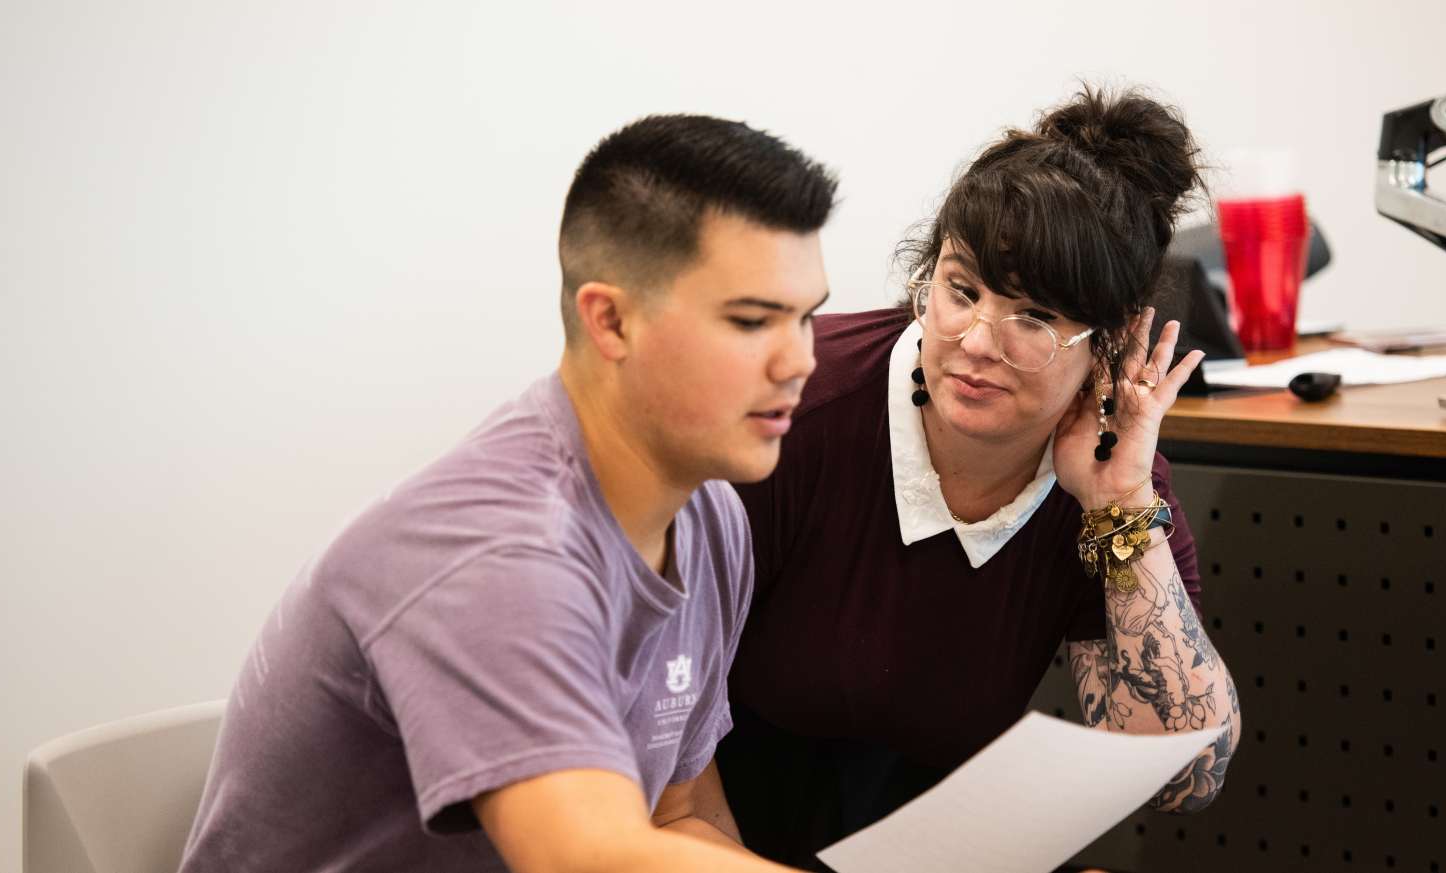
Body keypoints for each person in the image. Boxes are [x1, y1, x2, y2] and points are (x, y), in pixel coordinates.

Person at [181, 114, 836, 873]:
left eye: (807, 317)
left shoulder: (709, 514)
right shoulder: (499, 548)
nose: (800, 361)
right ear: (611, 320)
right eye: (753, 321)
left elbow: (676, 815)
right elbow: (589, 858)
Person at [715, 86, 1242, 870]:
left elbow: (1184, 775)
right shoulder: (792, 411)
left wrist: (1120, 507)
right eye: (962, 290)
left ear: (1114, 340)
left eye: (1033, 318)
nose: (977, 341)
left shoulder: (1108, 479)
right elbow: (642, 727)